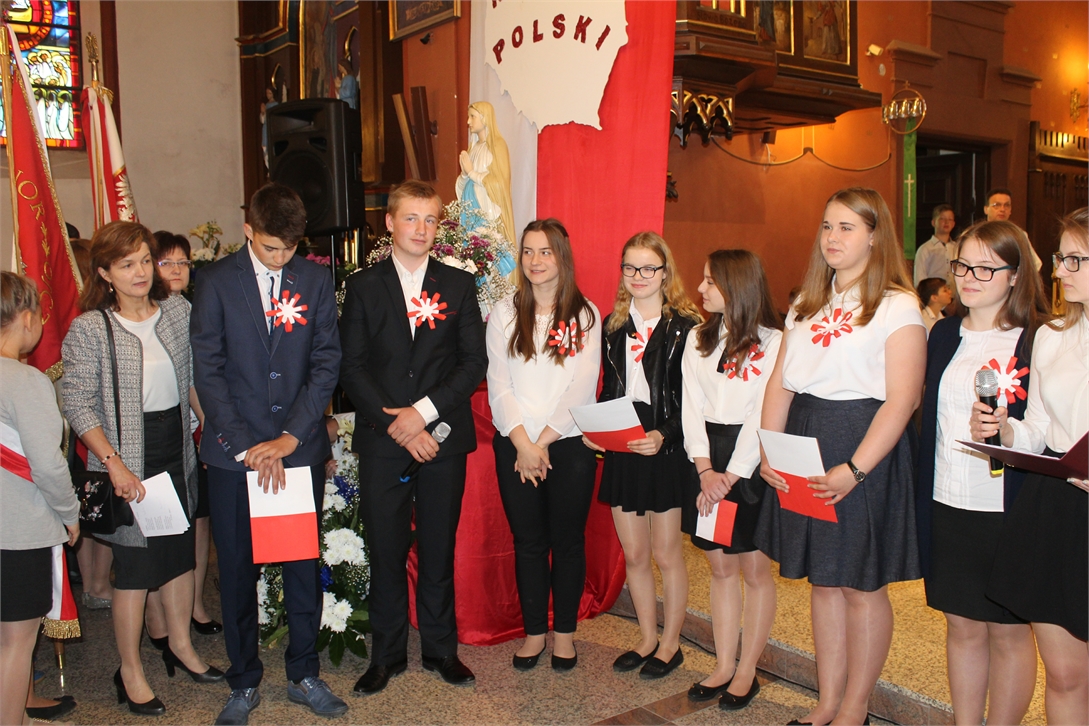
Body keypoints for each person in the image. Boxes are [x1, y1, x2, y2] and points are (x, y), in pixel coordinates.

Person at [755, 188, 927, 726]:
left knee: (860, 583)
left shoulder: (898, 305)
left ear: (875, 235)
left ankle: (856, 707)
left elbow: (903, 399)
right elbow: (780, 383)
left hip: (863, 443)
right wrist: (769, 448)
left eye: (847, 227)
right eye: (827, 226)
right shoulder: (808, 303)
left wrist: (855, 469)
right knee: (824, 578)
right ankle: (828, 700)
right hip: (805, 438)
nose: (832, 237)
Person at [191, 184, 346, 725]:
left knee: (302, 565)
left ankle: (304, 672)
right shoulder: (215, 282)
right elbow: (208, 371)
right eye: (271, 247)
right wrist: (249, 447)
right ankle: (243, 681)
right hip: (235, 456)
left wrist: (290, 438)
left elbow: (326, 362)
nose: (281, 259)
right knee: (237, 570)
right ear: (248, 231)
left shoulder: (315, 280)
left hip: (296, 451)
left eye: (291, 248)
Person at [62, 222, 223, 717]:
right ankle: (129, 670)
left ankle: (181, 646)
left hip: (175, 450)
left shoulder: (176, 311)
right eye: (126, 264)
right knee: (134, 570)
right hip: (127, 458)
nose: (140, 272)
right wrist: (114, 465)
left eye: (145, 261)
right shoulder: (92, 328)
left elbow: (192, 380)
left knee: (179, 557)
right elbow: (77, 402)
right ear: (104, 273)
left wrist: (211, 427)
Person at [340, 180, 486, 694]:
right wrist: (397, 425)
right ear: (390, 222)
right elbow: (351, 367)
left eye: (429, 220)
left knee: (439, 546)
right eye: (410, 218)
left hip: (442, 437)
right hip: (384, 441)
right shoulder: (362, 286)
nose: (421, 229)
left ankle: (442, 649)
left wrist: (421, 414)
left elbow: (473, 363)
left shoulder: (458, 284)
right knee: (386, 549)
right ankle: (386, 655)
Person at [916, 221, 1050, 725]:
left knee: (1008, 631)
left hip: (1005, 507)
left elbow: (1046, 430)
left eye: (986, 268)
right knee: (962, 625)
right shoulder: (943, 333)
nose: (969, 277)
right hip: (947, 499)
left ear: (1015, 275)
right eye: (963, 265)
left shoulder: (1036, 338)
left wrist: (1007, 431)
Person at [971, 207, 1089, 725]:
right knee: (1064, 674)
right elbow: (1038, 427)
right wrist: (1003, 430)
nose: (1059, 271)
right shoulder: (1053, 334)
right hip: (1058, 504)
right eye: (1061, 258)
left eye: (1074, 259)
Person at [487, 218, 600, 671]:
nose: (535, 261)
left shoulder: (584, 314)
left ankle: (565, 635)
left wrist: (543, 441)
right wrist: (523, 443)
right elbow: (499, 384)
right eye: (528, 251)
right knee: (528, 541)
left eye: (545, 251)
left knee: (568, 542)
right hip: (515, 445)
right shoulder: (504, 312)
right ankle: (535, 633)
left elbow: (581, 389)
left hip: (568, 446)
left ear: (562, 257)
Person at [590, 232, 701, 679]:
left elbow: (695, 401)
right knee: (634, 553)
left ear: (665, 272)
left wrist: (664, 435)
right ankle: (647, 638)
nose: (638, 276)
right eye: (630, 268)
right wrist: (597, 429)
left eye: (648, 268)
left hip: (665, 446)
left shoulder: (687, 327)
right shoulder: (613, 324)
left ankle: (671, 644)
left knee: (666, 553)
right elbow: (608, 389)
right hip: (624, 446)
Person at [680, 250, 782, 708]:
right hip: (708, 460)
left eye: (710, 281)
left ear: (737, 286)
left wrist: (731, 475)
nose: (701, 289)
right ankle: (723, 664)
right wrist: (705, 469)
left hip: (750, 460)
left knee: (754, 569)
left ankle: (747, 669)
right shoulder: (698, 337)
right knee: (720, 566)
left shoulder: (774, 342)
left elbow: (764, 412)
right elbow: (691, 407)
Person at [1, 272, 81, 726]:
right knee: (15, 644)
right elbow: (48, 466)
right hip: (16, 531)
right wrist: (70, 514)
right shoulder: (25, 381)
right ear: (28, 317)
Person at [143, 232, 220, 651]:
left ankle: (194, 605)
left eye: (183, 263)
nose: (176, 270)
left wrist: (209, 426)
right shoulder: (143, 310)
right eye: (165, 262)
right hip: (160, 435)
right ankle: (157, 615)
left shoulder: (188, 308)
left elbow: (200, 375)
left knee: (198, 520)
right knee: (160, 527)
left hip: (194, 431)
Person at [456, 101, 516, 247]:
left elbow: (500, 182)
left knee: (489, 247)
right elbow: (463, 185)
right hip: (470, 205)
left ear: (485, 117)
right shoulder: (473, 148)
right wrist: (464, 175)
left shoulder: (497, 146)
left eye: (473, 116)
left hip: (487, 208)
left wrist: (472, 173)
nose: (468, 121)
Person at [913, 205, 956, 288]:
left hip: (954, 294)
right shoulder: (925, 249)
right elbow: (919, 279)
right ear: (933, 222)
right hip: (934, 294)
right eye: (942, 219)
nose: (946, 222)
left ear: (953, 224)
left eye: (950, 219)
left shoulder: (957, 248)